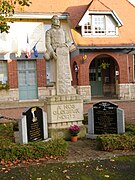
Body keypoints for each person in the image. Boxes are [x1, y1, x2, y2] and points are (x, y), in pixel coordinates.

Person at [44, 15, 74, 95]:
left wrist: (66, 46)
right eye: (54, 19)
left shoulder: (64, 31)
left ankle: (67, 84)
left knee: (66, 69)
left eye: (57, 19)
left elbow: (69, 41)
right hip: (55, 51)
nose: (56, 21)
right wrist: (52, 52)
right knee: (55, 69)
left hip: (63, 51)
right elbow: (47, 44)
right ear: (52, 21)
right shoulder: (49, 32)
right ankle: (55, 85)